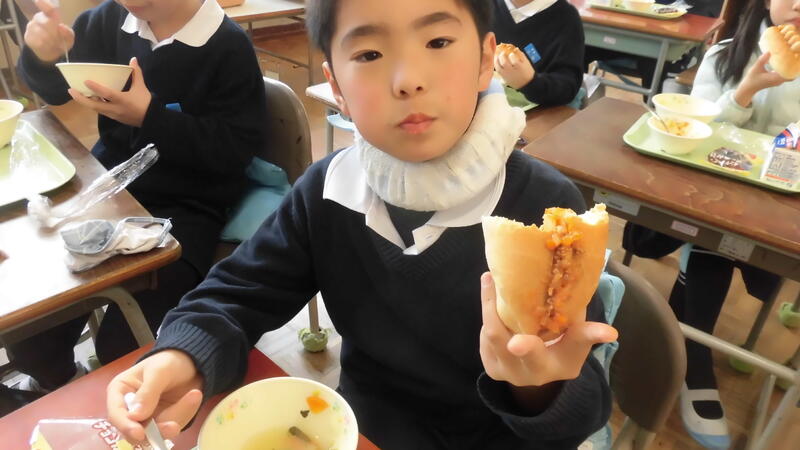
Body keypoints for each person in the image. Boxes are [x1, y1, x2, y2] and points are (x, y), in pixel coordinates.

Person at [105, 0, 618, 448]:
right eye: (370, 54)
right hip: (362, 431)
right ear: (337, 88)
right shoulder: (328, 191)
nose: (408, 80)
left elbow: (581, 405)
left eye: (438, 42)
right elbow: (235, 294)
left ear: (486, 60)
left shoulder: (547, 210)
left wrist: (537, 387)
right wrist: (184, 354)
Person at [10, 0, 267, 393]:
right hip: (106, 191)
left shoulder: (227, 45)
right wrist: (42, 57)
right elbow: (57, 90)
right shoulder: (106, 21)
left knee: (124, 350)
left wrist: (151, 117)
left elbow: (234, 152)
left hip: (187, 209)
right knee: (31, 335)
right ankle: (58, 385)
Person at [630, 0, 790, 448]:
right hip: (706, 200)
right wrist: (745, 91)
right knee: (713, 243)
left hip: (781, 210)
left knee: (754, 262)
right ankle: (694, 364)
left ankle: (678, 344)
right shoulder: (723, 55)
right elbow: (690, 131)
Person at [490, 0, 585, 106]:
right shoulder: (482, 6)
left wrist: (529, 82)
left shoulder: (566, 19)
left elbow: (568, 86)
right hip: (485, 103)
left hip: (540, 109)